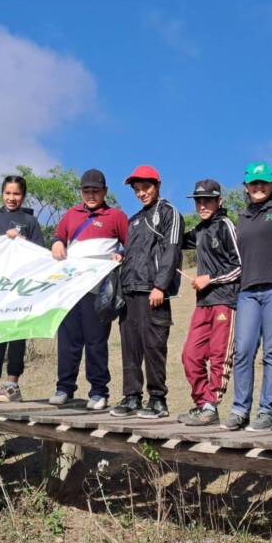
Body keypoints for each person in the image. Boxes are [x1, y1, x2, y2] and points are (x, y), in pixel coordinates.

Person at [49, 169, 130, 410]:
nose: (91, 195)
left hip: (100, 292)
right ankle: (64, 388)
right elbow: (58, 236)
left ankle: (98, 392)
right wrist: (56, 243)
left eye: (96, 190)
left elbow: (131, 244)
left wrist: (122, 254)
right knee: (68, 342)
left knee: (96, 343)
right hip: (71, 291)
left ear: (105, 191)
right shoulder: (71, 214)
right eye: (87, 190)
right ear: (81, 191)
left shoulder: (116, 216)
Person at [109, 165, 182, 419]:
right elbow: (132, 253)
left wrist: (161, 285)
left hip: (153, 292)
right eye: (137, 189)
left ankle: (158, 401)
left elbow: (172, 251)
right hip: (129, 291)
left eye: (145, 188)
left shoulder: (169, 212)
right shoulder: (134, 220)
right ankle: (131, 398)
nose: (141, 193)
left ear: (157, 185)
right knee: (130, 347)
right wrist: (121, 255)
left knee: (154, 346)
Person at [223, 162, 272, 433]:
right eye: (254, 183)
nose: (259, 187)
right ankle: (240, 410)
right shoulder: (241, 216)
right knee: (243, 351)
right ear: (246, 187)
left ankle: (267, 413)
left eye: (264, 182)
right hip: (247, 291)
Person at [0, 175, 46, 403]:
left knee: (16, 338)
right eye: (8, 193)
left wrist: (21, 240)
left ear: (23, 196)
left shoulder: (30, 222)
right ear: (1, 194)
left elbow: (40, 254)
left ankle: (12, 385)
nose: (11, 198)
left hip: (20, 291)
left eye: (16, 194)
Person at [177, 179, 241, 426]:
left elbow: (240, 266)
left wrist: (210, 279)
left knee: (218, 354)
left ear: (219, 201)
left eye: (208, 200)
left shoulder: (226, 225)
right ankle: (201, 404)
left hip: (225, 301)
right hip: (202, 304)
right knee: (190, 354)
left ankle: (210, 405)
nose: (202, 205)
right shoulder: (200, 230)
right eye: (198, 201)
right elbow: (177, 242)